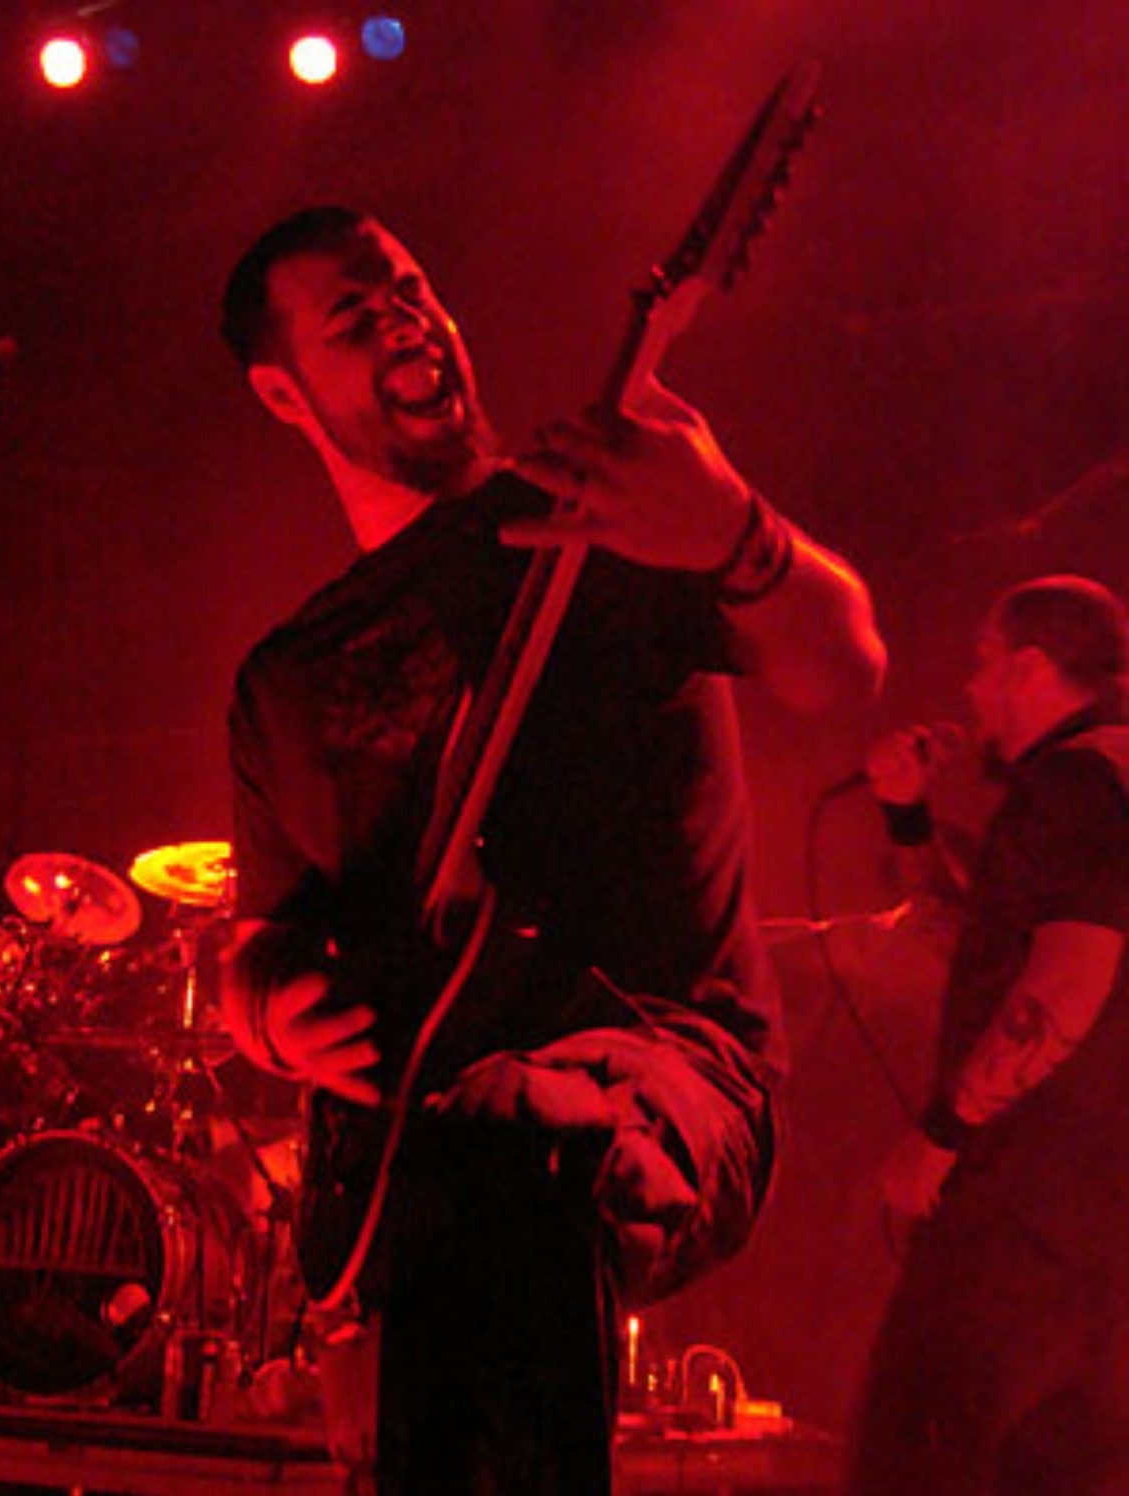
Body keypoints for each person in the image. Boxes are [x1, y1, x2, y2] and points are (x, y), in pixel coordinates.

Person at [216, 204, 885, 1493]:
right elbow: (260, 952)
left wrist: (732, 532)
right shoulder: (282, 681)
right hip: (414, 1175)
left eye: (410, 289)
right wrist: (271, 1021)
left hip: (665, 1062)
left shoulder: (604, 514)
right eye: (353, 319)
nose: (406, 322)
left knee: (512, 1135)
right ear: (283, 394)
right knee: (474, 1168)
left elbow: (843, 662)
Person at [849, 575, 1129, 1496]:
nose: (969, 688)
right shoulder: (1109, 782)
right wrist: (909, 817)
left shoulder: (1072, 785)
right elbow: (989, 946)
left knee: (910, 1463)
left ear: (1032, 669)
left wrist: (942, 1134)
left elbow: (1067, 983)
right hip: (1103, 1245)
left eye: (984, 663)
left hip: (1020, 1218)